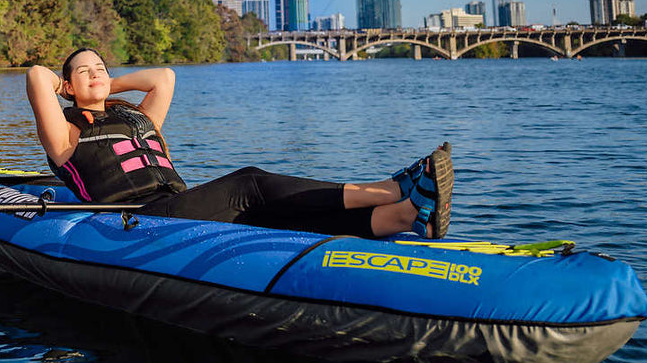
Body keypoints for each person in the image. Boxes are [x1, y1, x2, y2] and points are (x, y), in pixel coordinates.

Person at [26, 48, 452, 239]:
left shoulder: (137, 118)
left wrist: (104, 84)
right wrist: (68, 86)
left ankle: (405, 216)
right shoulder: (65, 135)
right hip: (137, 221)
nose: (96, 72)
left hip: (178, 204)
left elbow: (165, 78)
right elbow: (35, 76)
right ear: (66, 85)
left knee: (278, 213)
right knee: (249, 183)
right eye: (84, 71)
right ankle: (394, 188)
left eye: (101, 65)